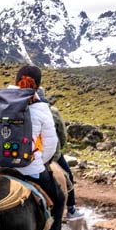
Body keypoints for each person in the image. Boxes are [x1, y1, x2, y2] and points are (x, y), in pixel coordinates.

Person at [0, 65, 67, 230]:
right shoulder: (42, 108)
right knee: (59, 199)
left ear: (16, 80)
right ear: (39, 85)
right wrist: (37, 161)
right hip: (30, 169)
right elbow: (51, 144)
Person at [39, 88, 83, 219]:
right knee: (68, 177)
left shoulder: (24, 110)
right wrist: (60, 148)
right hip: (52, 154)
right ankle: (71, 209)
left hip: (28, 154)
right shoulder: (52, 112)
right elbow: (63, 134)